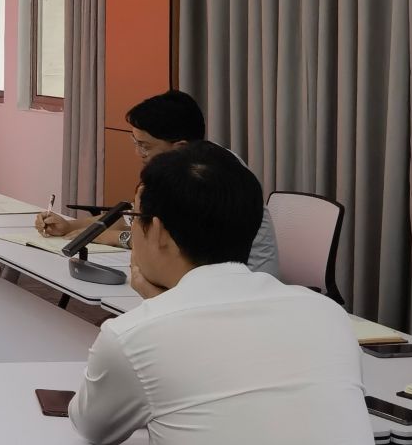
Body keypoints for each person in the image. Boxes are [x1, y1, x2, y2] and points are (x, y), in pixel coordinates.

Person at [68, 143, 371, 444]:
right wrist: (162, 304)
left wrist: (159, 307)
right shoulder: (329, 315)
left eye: (135, 217)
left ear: (158, 232)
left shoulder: (130, 337)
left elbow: (92, 428)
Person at [36, 90, 280, 278]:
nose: (138, 153)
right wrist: (70, 226)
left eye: (145, 146)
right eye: (135, 142)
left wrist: (111, 237)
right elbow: (136, 218)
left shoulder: (210, 176)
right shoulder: (181, 166)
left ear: (179, 146)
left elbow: (172, 242)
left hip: (243, 280)